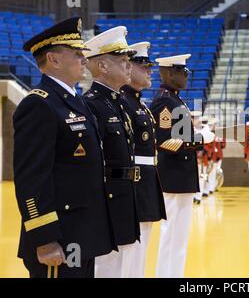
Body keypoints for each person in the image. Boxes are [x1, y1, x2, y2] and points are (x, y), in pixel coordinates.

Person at [14, 17, 115, 278]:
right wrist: (44, 238)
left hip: (82, 232)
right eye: (77, 53)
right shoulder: (40, 105)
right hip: (58, 237)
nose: (84, 59)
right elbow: (31, 178)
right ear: (54, 59)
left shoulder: (74, 101)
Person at [83, 26, 140, 277]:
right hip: (106, 201)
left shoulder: (116, 102)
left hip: (123, 197)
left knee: (118, 267)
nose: (130, 67)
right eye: (123, 61)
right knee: (104, 268)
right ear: (102, 67)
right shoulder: (92, 104)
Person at [150, 54, 214, 277]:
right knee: (171, 235)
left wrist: (196, 136)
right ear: (168, 73)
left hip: (182, 176)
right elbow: (165, 142)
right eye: (182, 72)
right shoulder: (164, 102)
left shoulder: (176, 100)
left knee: (180, 236)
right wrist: (199, 139)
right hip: (173, 177)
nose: (187, 76)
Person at [120, 41, 167, 277]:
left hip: (146, 182)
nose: (150, 70)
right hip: (133, 184)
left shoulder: (139, 103)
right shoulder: (122, 102)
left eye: (149, 66)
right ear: (128, 68)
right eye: (144, 66)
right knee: (129, 256)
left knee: (140, 254)